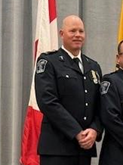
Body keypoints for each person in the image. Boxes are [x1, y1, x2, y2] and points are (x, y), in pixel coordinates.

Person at [35, 15, 102, 165]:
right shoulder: (49, 61)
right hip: (56, 148)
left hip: (84, 148)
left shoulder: (93, 66)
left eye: (81, 31)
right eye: (72, 31)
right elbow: (47, 101)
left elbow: (100, 105)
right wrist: (76, 132)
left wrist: (94, 130)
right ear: (61, 34)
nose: (78, 35)